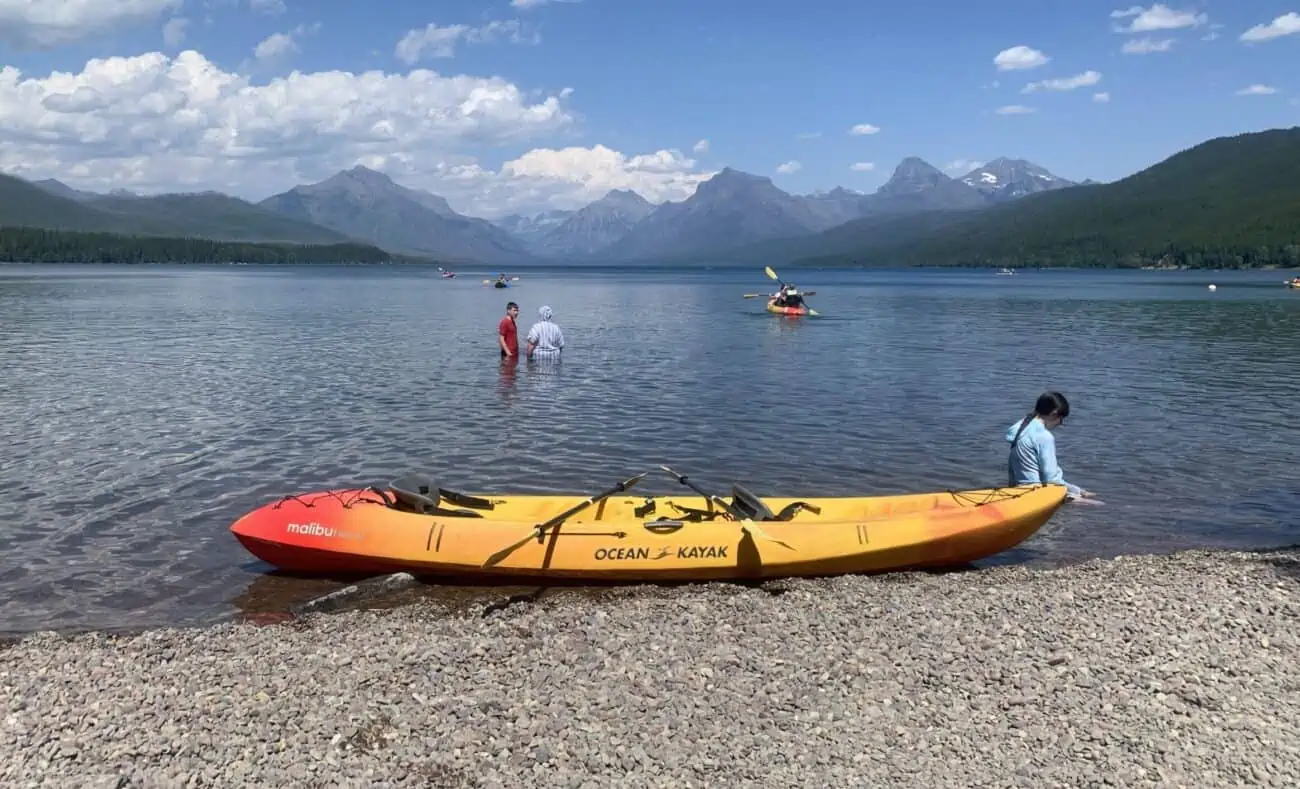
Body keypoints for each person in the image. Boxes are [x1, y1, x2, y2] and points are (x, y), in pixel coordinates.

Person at [1005, 391, 1093, 499]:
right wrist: (1077, 491)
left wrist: (1077, 491)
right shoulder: (1043, 436)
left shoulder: (1021, 427)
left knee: (1082, 495)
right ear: (1054, 414)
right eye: (1061, 419)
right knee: (1098, 505)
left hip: (1015, 489)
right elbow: (1052, 480)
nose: (1061, 423)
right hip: (1033, 493)